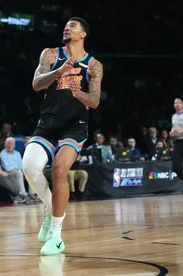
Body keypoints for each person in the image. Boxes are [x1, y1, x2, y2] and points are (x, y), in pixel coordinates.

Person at [22, 17, 104, 256]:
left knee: (59, 170)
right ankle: (51, 208)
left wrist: (80, 95)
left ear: (84, 34)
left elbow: (95, 101)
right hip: (48, 123)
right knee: (28, 166)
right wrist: (59, 71)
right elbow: (36, 84)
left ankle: (56, 236)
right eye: (66, 25)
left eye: (74, 26)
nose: (67, 28)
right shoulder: (49, 54)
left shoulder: (94, 65)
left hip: (74, 126)